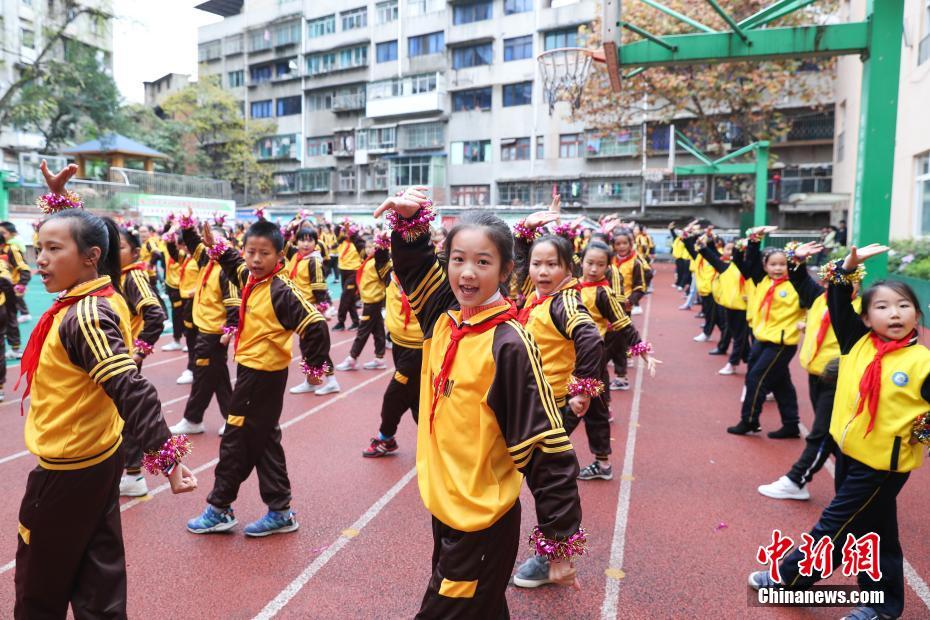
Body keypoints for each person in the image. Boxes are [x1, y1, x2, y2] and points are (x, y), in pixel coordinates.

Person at [375, 188, 584, 618]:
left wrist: (558, 541)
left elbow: (545, 443)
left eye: (483, 262)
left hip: (481, 522)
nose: (467, 273)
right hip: (450, 505)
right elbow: (414, 269)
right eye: (457, 260)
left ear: (507, 269)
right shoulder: (443, 317)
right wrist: (411, 226)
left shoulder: (509, 344)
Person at [15, 161, 195, 619]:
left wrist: (168, 462)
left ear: (90, 257)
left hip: (67, 474)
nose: (41, 259)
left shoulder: (85, 316)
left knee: (38, 590)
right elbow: (94, 238)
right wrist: (60, 202)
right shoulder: (100, 294)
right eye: (40, 248)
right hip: (97, 461)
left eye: (53, 249)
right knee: (99, 584)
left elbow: (130, 388)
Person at [749, 244, 930, 620]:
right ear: (864, 318)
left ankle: (788, 580)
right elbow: (834, 293)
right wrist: (848, 266)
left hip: (882, 465)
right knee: (874, 531)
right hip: (850, 452)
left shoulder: (922, 362)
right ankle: (884, 606)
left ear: (917, 314)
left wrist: (918, 435)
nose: (894, 313)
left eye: (903, 306)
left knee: (834, 525)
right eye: (881, 307)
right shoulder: (856, 341)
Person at [185, 219, 332, 537]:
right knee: (265, 440)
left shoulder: (282, 290)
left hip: (263, 378)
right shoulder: (251, 277)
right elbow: (233, 263)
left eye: (263, 253)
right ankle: (280, 510)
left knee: (236, 442)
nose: (254, 259)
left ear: (279, 256)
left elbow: (315, 324)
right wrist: (215, 245)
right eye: (250, 251)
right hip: (252, 371)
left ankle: (219, 507)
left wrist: (315, 367)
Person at [757, 241, 862, 501]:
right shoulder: (818, 298)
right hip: (816, 375)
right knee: (833, 434)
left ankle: (797, 479)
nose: (838, 285)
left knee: (822, 431)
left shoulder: (861, 310)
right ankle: (859, 481)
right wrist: (797, 260)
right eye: (835, 279)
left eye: (849, 280)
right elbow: (799, 277)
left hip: (840, 378)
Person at [727, 226, 807, 439]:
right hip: (761, 339)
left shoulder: (797, 285)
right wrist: (754, 239)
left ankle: (749, 421)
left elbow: (814, 304)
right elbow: (750, 259)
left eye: (782, 264)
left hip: (781, 343)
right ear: (765, 266)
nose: (778, 268)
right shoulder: (762, 281)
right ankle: (791, 424)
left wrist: (806, 321)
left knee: (756, 379)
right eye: (773, 264)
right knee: (782, 384)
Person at [167, 220, 240, 437]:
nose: (210, 246)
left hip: (214, 333)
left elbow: (233, 303)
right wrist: (188, 226)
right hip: (204, 328)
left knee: (203, 376)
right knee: (217, 377)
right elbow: (192, 243)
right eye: (208, 241)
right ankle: (226, 419)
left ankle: (193, 418)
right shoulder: (206, 261)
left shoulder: (227, 271)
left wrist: (230, 329)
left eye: (216, 241)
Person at [115, 225, 168, 498]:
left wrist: (139, 351)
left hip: (123, 359)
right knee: (123, 413)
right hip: (114, 356)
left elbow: (155, 314)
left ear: (135, 252)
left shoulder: (132, 277)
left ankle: (134, 474)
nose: (115, 252)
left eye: (121, 247)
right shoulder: (116, 276)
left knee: (128, 415)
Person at [362, 271, 424, 456]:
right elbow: (382, 256)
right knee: (416, 398)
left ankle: (386, 437)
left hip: (417, 349)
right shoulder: (392, 272)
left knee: (394, 397)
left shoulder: (427, 272)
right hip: (399, 345)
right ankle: (437, 442)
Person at [336, 234, 391, 372]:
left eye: (372, 246)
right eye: (367, 247)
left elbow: (383, 256)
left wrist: (382, 245)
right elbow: (358, 243)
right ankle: (379, 358)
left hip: (373, 301)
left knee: (362, 331)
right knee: (378, 329)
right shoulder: (367, 260)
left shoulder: (379, 262)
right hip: (369, 300)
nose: (368, 249)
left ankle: (352, 358)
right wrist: (352, 233)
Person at [164, 230, 200, 384]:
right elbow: (173, 253)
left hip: (195, 301)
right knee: (190, 335)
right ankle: (193, 367)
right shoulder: (187, 258)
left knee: (194, 336)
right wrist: (170, 240)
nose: (184, 248)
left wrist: (197, 291)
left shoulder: (200, 259)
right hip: (186, 301)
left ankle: (193, 368)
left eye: (186, 245)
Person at [333, 219, 364, 331]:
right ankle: (356, 322)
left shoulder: (357, 243)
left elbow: (359, 241)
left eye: (348, 231)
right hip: (343, 271)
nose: (346, 233)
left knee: (345, 296)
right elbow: (336, 230)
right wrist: (341, 223)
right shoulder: (341, 241)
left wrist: (351, 230)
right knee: (349, 298)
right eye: (344, 231)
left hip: (353, 272)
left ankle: (341, 322)